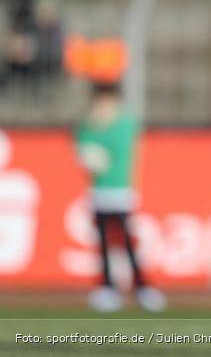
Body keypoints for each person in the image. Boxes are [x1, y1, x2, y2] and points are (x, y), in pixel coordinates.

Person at [68, 38, 166, 313]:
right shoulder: (89, 123)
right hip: (98, 193)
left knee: (125, 242)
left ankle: (144, 287)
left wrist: (95, 134)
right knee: (102, 243)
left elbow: (110, 150)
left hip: (119, 191)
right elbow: (81, 141)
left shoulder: (124, 123)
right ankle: (107, 287)